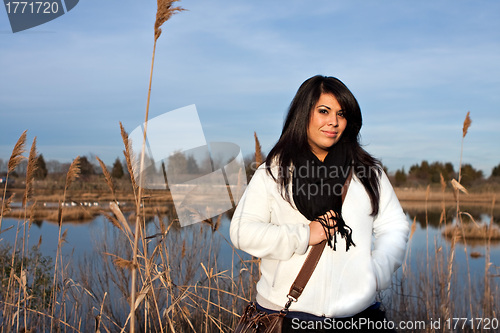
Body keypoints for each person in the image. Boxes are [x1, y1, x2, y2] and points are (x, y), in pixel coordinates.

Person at [230, 75, 409, 332]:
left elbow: (394, 226)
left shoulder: (368, 172)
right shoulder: (274, 172)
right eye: (323, 111)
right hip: (287, 319)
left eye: (341, 114)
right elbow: (241, 232)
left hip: (358, 319)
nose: (333, 122)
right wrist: (303, 235)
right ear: (304, 113)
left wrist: (375, 274)